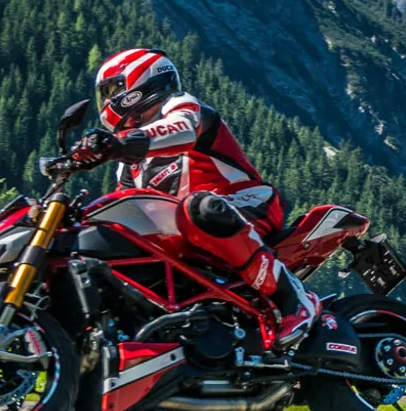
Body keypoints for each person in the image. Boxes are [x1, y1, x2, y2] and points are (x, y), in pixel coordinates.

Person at [63, 48, 320, 349]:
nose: (108, 100)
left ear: (139, 81)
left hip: (243, 206)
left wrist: (120, 143)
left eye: (113, 90)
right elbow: (126, 208)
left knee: (199, 208)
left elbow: (183, 128)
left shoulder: (181, 106)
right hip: (188, 238)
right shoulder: (129, 164)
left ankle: (293, 300)